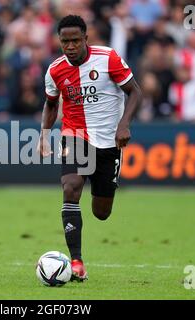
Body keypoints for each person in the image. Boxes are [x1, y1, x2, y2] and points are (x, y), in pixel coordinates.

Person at [37, 15, 142, 281]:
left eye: (75, 40)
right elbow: (51, 104)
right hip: (75, 135)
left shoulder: (108, 59)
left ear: (85, 38)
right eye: (64, 41)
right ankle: (76, 262)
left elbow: (136, 92)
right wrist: (44, 134)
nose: (70, 46)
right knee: (71, 187)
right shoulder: (55, 70)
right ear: (59, 42)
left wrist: (124, 124)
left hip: (109, 142)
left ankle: (100, 191)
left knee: (101, 212)